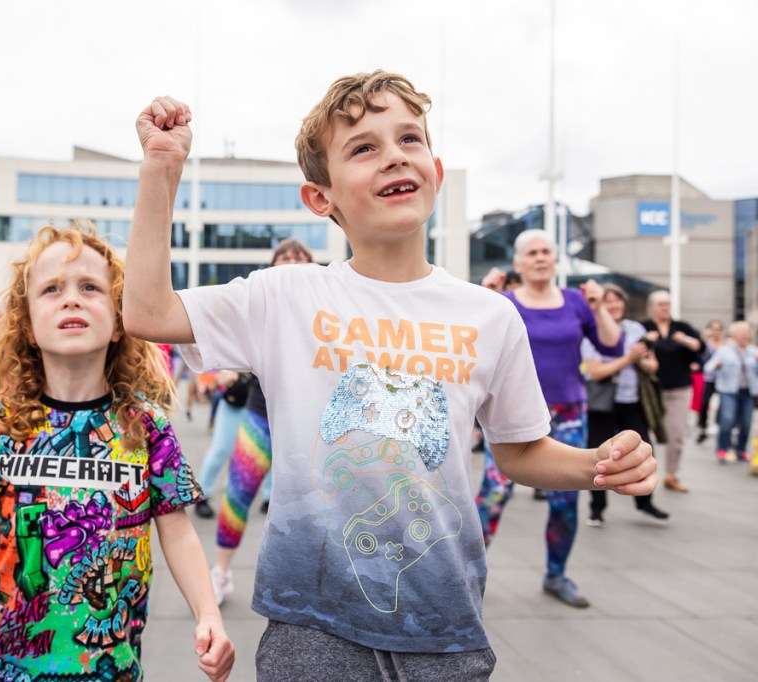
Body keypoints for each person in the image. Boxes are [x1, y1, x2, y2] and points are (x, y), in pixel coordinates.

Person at [122, 74, 656, 680]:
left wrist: (596, 465)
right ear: (320, 197)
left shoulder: (490, 315)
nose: (395, 156)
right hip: (310, 628)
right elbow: (147, 312)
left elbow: (519, 449)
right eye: (363, 148)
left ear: (436, 172)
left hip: (445, 629)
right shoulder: (285, 297)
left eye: (409, 139)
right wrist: (161, 170)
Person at [0, 225, 234, 682]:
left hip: (107, 665)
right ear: (26, 325)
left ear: (120, 322)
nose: (71, 300)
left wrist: (208, 615)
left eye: (90, 288)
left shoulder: (146, 427)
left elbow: (178, 534)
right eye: (51, 289)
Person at [476, 229, 622, 608]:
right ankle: (466, 576)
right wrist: (483, 299)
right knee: (493, 495)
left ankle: (556, 575)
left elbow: (612, 345)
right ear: (518, 263)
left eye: (546, 251)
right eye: (532, 253)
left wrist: (598, 306)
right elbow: (473, 345)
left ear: (555, 260)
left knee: (564, 499)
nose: (540, 257)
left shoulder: (576, 302)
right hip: (511, 413)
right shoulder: (504, 303)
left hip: (567, 412)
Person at [210, 238, 312, 604]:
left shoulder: (325, 307)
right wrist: (227, 369)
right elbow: (228, 337)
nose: (291, 261)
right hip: (261, 415)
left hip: (310, 421)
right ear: (271, 268)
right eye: (283, 257)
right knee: (238, 494)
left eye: (298, 257)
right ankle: (221, 572)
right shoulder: (260, 305)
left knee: (313, 507)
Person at [582, 284, 669, 527]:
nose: (614, 305)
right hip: (602, 404)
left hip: (632, 401)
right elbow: (595, 372)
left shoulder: (635, 329)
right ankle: (597, 509)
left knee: (644, 450)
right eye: (608, 301)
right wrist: (628, 358)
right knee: (598, 455)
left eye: (617, 300)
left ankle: (645, 502)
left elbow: (652, 366)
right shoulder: (591, 331)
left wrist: (640, 359)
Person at [642, 290, 705, 493]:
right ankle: (641, 473)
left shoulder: (681, 327)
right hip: (650, 390)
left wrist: (685, 340)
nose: (665, 308)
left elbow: (700, 347)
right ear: (651, 307)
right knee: (642, 433)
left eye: (668, 304)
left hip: (679, 388)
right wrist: (647, 340)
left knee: (675, 434)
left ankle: (671, 474)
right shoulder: (644, 327)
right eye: (661, 304)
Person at [194, 369, 248, 518]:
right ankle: (202, 495)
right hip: (236, 401)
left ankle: (263, 497)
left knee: (249, 454)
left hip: (262, 404)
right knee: (221, 450)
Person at [704, 320, 758, 465]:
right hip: (728, 391)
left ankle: (741, 450)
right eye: (741, 332)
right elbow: (707, 368)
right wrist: (717, 365)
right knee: (727, 420)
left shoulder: (754, 351)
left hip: (748, 392)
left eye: (746, 332)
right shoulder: (724, 351)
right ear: (734, 335)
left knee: (746, 422)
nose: (744, 335)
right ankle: (722, 448)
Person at [696, 319, 725, 444]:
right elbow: (699, 355)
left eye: (718, 329)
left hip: (722, 379)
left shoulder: (726, 345)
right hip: (709, 378)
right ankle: (702, 427)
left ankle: (718, 425)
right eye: (713, 329)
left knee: (722, 404)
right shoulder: (706, 344)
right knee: (704, 403)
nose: (715, 332)